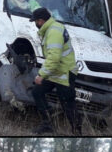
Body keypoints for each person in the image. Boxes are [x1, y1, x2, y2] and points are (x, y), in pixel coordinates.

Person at [30, 7, 80, 135]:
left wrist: (41, 75)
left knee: (67, 103)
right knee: (37, 91)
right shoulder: (52, 28)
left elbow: (54, 57)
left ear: (40, 21)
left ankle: (77, 132)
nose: (35, 24)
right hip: (56, 72)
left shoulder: (53, 31)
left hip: (64, 72)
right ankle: (48, 124)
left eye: (35, 21)